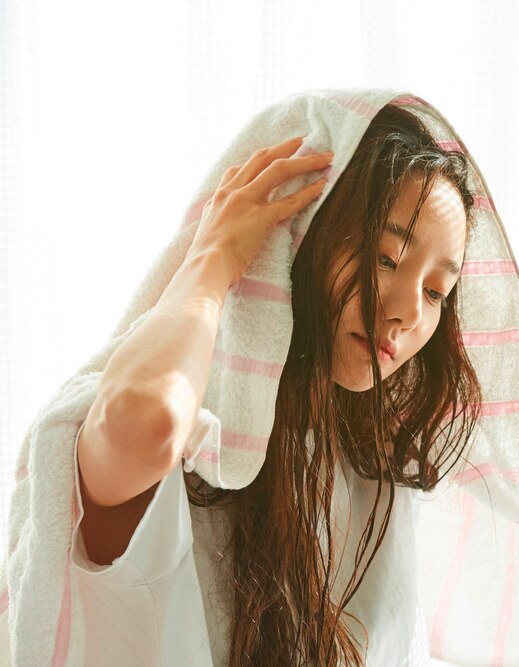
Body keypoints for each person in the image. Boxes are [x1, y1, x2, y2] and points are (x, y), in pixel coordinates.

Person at [75, 104, 484, 665]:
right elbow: (146, 421)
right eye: (386, 257)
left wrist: (498, 286)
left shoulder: (372, 452)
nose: (410, 312)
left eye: (437, 292)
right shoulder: (178, 457)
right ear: (293, 237)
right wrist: (214, 256)